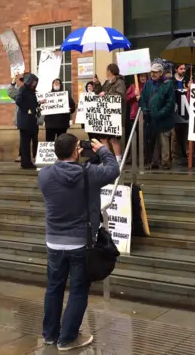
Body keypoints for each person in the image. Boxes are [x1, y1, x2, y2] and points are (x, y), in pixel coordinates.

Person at [39, 135, 120, 351]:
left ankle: (50, 335)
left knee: (54, 288)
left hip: (54, 242)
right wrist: (102, 150)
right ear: (76, 152)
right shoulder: (89, 174)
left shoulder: (44, 175)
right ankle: (67, 338)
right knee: (77, 289)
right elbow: (113, 169)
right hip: (80, 243)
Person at [140, 63, 176, 170]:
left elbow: (170, 103)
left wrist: (160, 113)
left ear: (161, 73)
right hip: (150, 118)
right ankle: (153, 162)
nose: (153, 74)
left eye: (155, 72)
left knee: (164, 140)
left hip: (164, 119)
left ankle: (165, 163)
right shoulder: (148, 84)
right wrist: (144, 109)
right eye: (152, 72)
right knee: (152, 141)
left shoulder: (168, 84)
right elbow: (143, 98)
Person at [94, 64, 127, 162]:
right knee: (103, 138)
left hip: (115, 115)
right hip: (105, 115)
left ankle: (118, 160)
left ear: (110, 71)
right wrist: (97, 83)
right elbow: (98, 92)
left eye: (106, 70)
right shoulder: (107, 82)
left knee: (114, 139)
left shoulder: (120, 82)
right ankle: (107, 159)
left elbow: (120, 96)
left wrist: (106, 94)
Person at [16, 73, 40, 170]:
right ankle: (25, 163)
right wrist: (28, 110)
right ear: (30, 80)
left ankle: (28, 162)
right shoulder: (23, 89)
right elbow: (18, 101)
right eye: (34, 81)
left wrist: (38, 104)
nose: (35, 83)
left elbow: (32, 103)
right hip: (25, 120)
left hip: (31, 121)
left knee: (29, 141)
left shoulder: (31, 91)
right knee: (25, 143)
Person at [171, 64, 189, 162]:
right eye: (181, 69)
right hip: (174, 111)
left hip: (186, 111)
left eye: (184, 68)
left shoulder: (187, 80)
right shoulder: (171, 82)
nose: (183, 70)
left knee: (185, 133)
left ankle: (186, 153)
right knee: (174, 135)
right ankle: (174, 155)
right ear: (176, 69)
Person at [125, 73, 148, 138]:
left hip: (146, 115)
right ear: (138, 77)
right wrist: (133, 94)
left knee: (144, 136)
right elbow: (126, 98)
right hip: (134, 115)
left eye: (144, 76)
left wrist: (142, 98)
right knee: (134, 136)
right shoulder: (133, 86)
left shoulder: (149, 86)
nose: (143, 78)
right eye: (141, 76)